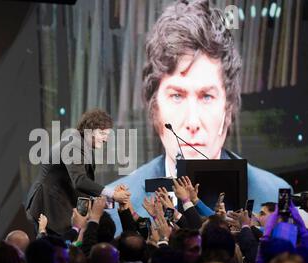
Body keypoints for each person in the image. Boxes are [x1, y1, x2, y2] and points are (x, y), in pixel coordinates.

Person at [106, 0, 291, 233]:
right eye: (176, 96)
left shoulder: (276, 195)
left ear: (229, 107)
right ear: (155, 109)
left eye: (206, 97)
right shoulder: (113, 209)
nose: (192, 122)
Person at [25, 109, 130, 236]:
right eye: (102, 133)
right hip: (49, 209)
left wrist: (109, 199)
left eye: (107, 134)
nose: (106, 139)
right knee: (54, 253)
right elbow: (80, 181)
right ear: (90, 129)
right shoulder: (74, 145)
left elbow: (83, 189)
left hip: (60, 208)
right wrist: (113, 194)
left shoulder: (83, 146)